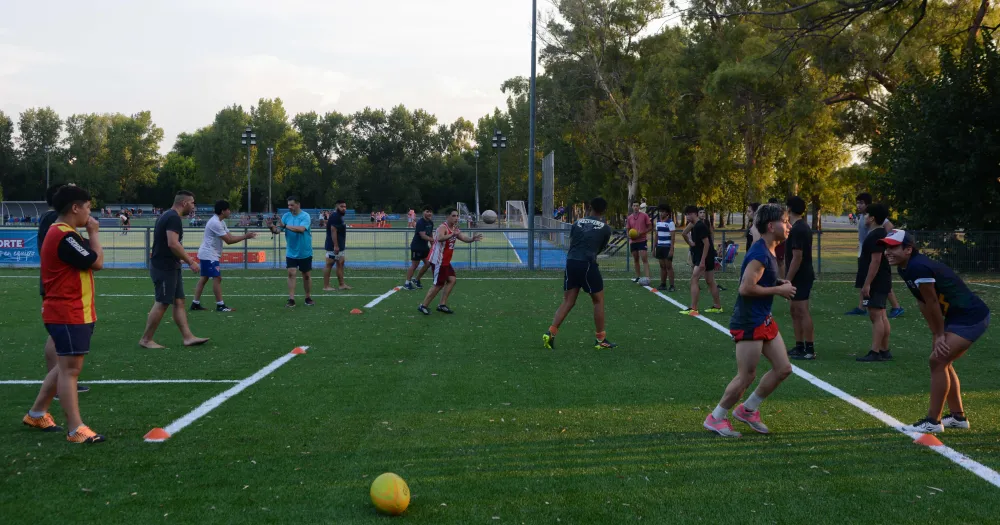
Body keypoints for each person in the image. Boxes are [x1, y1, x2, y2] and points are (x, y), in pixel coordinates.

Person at [881, 230, 991, 433]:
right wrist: (935, 333)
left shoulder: (917, 267)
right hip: (957, 317)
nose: (888, 251)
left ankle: (933, 421)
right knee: (943, 361)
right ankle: (958, 417)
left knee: (938, 360)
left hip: (971, 316)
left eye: (893, 247)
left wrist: (940, 334)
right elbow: (923, 301)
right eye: (886, 247)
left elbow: (932, 301)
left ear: (908, 249)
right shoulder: (906, 267)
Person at [21, 185, 107, 443]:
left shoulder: (64, 233)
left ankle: (37, 413)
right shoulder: (64, 236)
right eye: (88, 207)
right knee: (70, 370)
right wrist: (94, 233)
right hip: (68, 312)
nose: (90, 213)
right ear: (75, 208)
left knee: (63, 367)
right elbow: (97, 262)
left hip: (68, 310)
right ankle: (75, 429)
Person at [703, 203, 795, 438]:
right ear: (771, 226)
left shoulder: (768, 247)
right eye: (785, 221)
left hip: (763, 318)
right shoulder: (760, 253)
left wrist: (777, 283)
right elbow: (746, 288)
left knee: (783, 368)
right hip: (749, 321)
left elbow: (761, 279)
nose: (789, 226)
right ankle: (716, 418)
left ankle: (748, 409)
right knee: (747, 375)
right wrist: (778, 291)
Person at [36, 184, 90, 397]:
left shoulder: (53, 221)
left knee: (59, 337)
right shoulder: (56, 222)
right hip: (59, 283)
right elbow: (89, 258)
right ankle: (59, 382)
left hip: (56, 279)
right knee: (59, 338)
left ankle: (42, 406)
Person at [543, 197, 617, 350]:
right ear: (603, 211)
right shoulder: (605, 228)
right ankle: (601, 340)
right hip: (588, 263)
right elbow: (599, 248)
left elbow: (573, 241)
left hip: (571, 261)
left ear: (589, 207)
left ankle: (551, 332)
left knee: (568, 301)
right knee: (598, 301)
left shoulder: (576, 223)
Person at [139, 191, 210, 349]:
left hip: (171, 266)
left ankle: (188, 337)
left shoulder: (167, 215)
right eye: (192, 203)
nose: (193, 206)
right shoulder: (173, 218)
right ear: (184, 203)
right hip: (164, 267)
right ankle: (146, 339)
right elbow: (173, 243)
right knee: (163, 302)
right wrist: (190, 261)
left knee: (179, 302)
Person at [191, 200, 256, 312]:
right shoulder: (215, 222)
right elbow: (229, 240)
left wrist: (244, 236)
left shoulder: (221, 222)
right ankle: (220, 305)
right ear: (223, 211)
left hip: (210, 254)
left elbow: (229, 236)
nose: (230, 211)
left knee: (204, 278)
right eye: (228, 209)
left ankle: (195, 303)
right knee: (217, 278)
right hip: (209, 254)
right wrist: (246, 236)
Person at [847, 193, 904, 318]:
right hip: (864, 251)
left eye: (861, 203)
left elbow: (891, 229)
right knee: (864, 278)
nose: (859, 205)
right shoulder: (863, 217)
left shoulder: (874, 216)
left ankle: (896, 306)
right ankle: (861, 307)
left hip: (874, 252)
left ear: (868, 205)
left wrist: (883, 244)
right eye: (858, 202)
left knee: (879, 281)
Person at [417, 208, 483, 315]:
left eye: (457, 216)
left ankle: (442, 305)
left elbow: (462, 237)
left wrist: (472, 239)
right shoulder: (443, 227)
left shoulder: (454, 228)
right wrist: (452, 234)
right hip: (439, 260)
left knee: (452, 279)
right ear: (447, 217)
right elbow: (440, 238)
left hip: (446, 260)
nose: (456, 218)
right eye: (453, 216)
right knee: (438, 285)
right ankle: (423, 305)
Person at [855, 203, 893, 362]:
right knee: (882, 315)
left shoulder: (876, 235)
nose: (864, 217)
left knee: (876, 315)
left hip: (877, 281)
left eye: (866, 215)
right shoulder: (880, 233)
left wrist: (867, 284)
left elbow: (875, 261)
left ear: (872, 218)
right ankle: (884, 349)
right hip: (881, 279)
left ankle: (875, 351)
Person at [784, 196, 816, 360]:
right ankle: (799, 346)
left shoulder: (799, 229)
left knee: (802, 311)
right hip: (800, 275)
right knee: (794, 310)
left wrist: (787, 280)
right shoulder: (798, 227)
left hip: (801, 276)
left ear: (789, 209)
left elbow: (797, 257)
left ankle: (809, 349)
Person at [270, 196, 315, 307]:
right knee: (291, 273)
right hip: (291, 251)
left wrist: (285, 226)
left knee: (306, 275)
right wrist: (271, 227)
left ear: (298, 204)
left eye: (292, 205)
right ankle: (291, 299)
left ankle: (308, 297)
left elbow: (301, 229)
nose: (289, 207)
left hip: (304, 251)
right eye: (288, 205)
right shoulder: (286, 216)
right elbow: (278, 230)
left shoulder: (305, 216)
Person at [680, 205, 723, 315]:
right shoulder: (693, 224)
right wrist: (690, 243)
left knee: (694, 279)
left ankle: (693, 308)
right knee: (710, 281)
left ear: (694, 214)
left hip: (704, 257)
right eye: (686, 215)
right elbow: (684, 233)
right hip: (704, 256)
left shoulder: (700, 226)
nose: (687, 217)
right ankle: (717, 306)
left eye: (688, 214)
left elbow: (707, 244)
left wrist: (703, 260)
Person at [323, 199, 352, 291]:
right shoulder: (335, 216)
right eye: (341, 206)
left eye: (345, 207)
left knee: (340, 263)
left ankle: (341, 284)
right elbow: (333, 230)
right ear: (337, 207)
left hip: (340, 246)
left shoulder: (339, 216)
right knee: (329, 264)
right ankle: (326, 286)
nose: (344, 208)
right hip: (333, 246)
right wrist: (335, 245)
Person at [404, 206, 434, 290]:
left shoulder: (431, 223)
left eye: (430, 212)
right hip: (417, 246)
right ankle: (407, 283)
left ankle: (416, 280)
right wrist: (433, 240)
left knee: (428, 264)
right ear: (423, 212)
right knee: (414, 265)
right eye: (427, 211)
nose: (429, 213)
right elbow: (423, 235)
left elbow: (430, 234)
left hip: (424, 247)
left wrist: (433, 245)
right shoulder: (420, 222)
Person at [626, 201, 652, 285]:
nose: (636, 207)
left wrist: (641, 233)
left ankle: (648, 278)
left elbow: (650, 227)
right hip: (633, 241)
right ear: (632, 207)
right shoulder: (629, 217)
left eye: (637, 206)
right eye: (634, 206)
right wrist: (629, 236)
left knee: (644, 258)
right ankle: (638, 277)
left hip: (642, 240)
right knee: (636, 259)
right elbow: (627, 229)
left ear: (639, 207)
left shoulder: (644, 216)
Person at [653, 202, 676, 292]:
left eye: (663, 211)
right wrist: (654, 248)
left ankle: (672, 285)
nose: (661, 213)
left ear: (667, 213)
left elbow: (673, 237)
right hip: (659, 247)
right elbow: (656, 236)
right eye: (660, 211)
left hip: (667, 247)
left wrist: (671, 249)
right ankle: (663, 284)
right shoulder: (658, 222)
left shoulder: (670, 223)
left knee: (668, 266)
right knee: (662, 266)